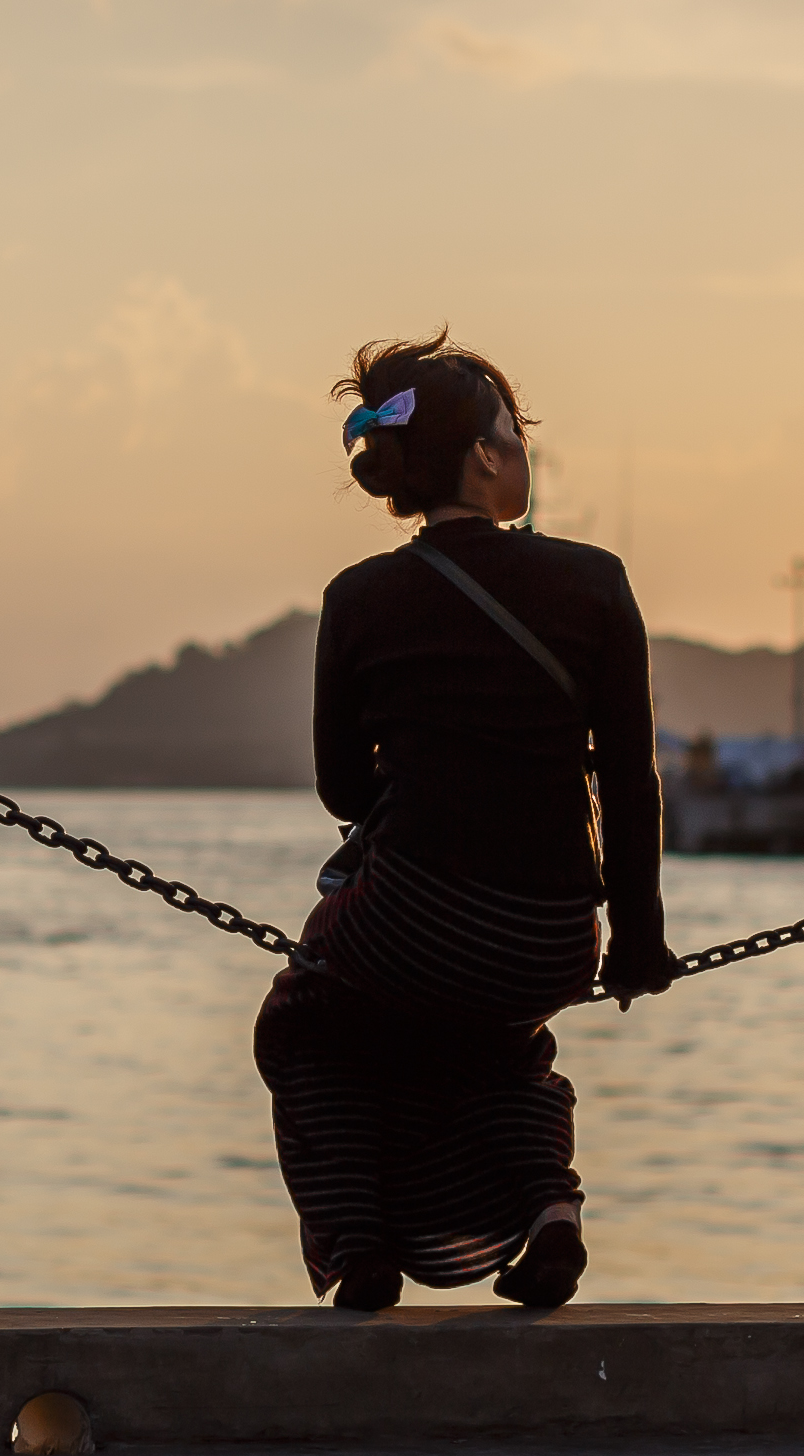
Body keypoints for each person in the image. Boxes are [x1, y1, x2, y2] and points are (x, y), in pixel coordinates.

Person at [262, 335, 678, 1312]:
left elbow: (337, 789)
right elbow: (628, 778)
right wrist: (637, 943)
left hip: (409, 921)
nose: (523, 451)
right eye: (515, 433)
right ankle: (546, 1210)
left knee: (304, 1030)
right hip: (547, 938)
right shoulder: (595, 583)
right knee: (502, 1050)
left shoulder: (357, 598)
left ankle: (359, 1245)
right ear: (486, 456)